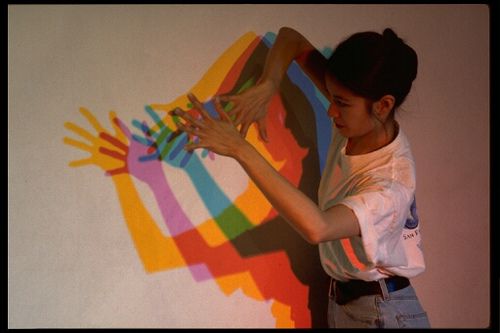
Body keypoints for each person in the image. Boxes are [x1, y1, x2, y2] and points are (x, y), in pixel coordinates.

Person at [171, 26, 430, 328]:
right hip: (348, 302)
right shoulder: (362, 119)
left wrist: (239, 148)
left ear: (383, 105)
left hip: (383, 314)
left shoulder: (389, 187)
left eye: (341, 103)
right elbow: (291, 39)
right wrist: (269, 84)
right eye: (331, 98)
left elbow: (317, 228)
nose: (331, 111)